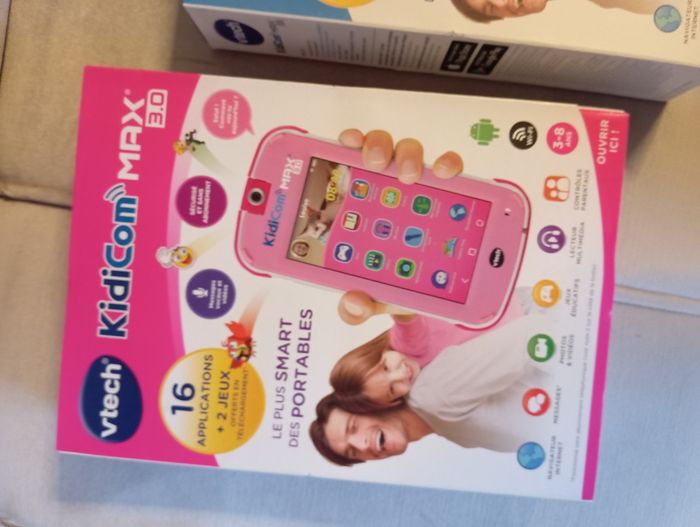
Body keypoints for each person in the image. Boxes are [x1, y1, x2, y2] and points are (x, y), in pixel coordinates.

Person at [311, 313, 549, 465]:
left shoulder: (432, 396)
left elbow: (539, 335)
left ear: (369, 405)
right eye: (353, 452)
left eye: (353, 427)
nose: (363, 444)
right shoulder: (443, 423)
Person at [330, 290, 523, 411]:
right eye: (392, 389)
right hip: (511, 319)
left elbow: (407, 320)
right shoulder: (425, 384)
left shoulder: (406, 345)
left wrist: (384, 307)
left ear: (379, 352)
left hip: (513, 313)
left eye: (386, 368)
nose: (400, 375)